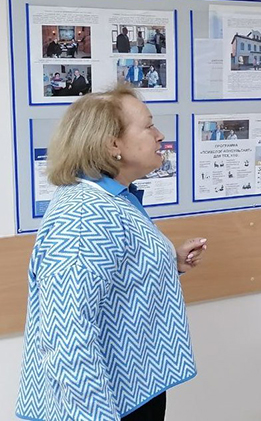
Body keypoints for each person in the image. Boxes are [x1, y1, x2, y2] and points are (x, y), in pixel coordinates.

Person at [16, 84, 207, 421]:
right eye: (148, 126)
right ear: (112, 144)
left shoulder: (114, 197)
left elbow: (114, 272)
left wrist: (169, 262)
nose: (160, 135)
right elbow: (68, 337)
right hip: (101, 403)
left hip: (131, 388)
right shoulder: (82, 216)